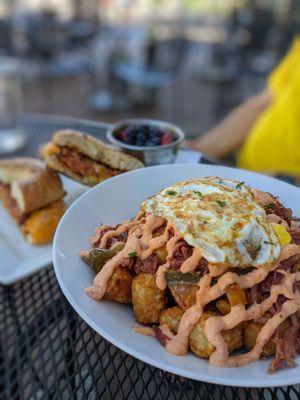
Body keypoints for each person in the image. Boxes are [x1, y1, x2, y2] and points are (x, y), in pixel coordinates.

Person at [185, 37, 300, 177]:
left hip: (284, 188)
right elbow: (264, 101)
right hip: (245, 173)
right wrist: (200, 148)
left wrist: (287, 181)